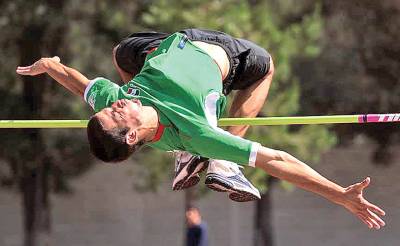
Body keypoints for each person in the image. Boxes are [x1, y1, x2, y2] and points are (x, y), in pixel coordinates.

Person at [16, 32, 386, 229]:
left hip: (166, 44)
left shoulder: (119, 96)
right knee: (267, 66)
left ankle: (192, 161)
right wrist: (338, 194)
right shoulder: (194, 130)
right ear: (130, 136)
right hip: (217, 52)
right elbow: (276, 160)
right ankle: (225, 163)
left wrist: (48, 64)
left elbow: (77, 83)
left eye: (112, 106)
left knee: (122, 52)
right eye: (116, 113)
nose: (116, 103)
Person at [110, 29, 275, 202]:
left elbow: (115, 57)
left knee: (181, 115)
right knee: (266, 66)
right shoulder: (132, 52)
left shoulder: (126, 63)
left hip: (190, 70)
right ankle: (224, 162)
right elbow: (117, 54)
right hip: (203, 59)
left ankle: (188, 152)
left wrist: (142, 105)